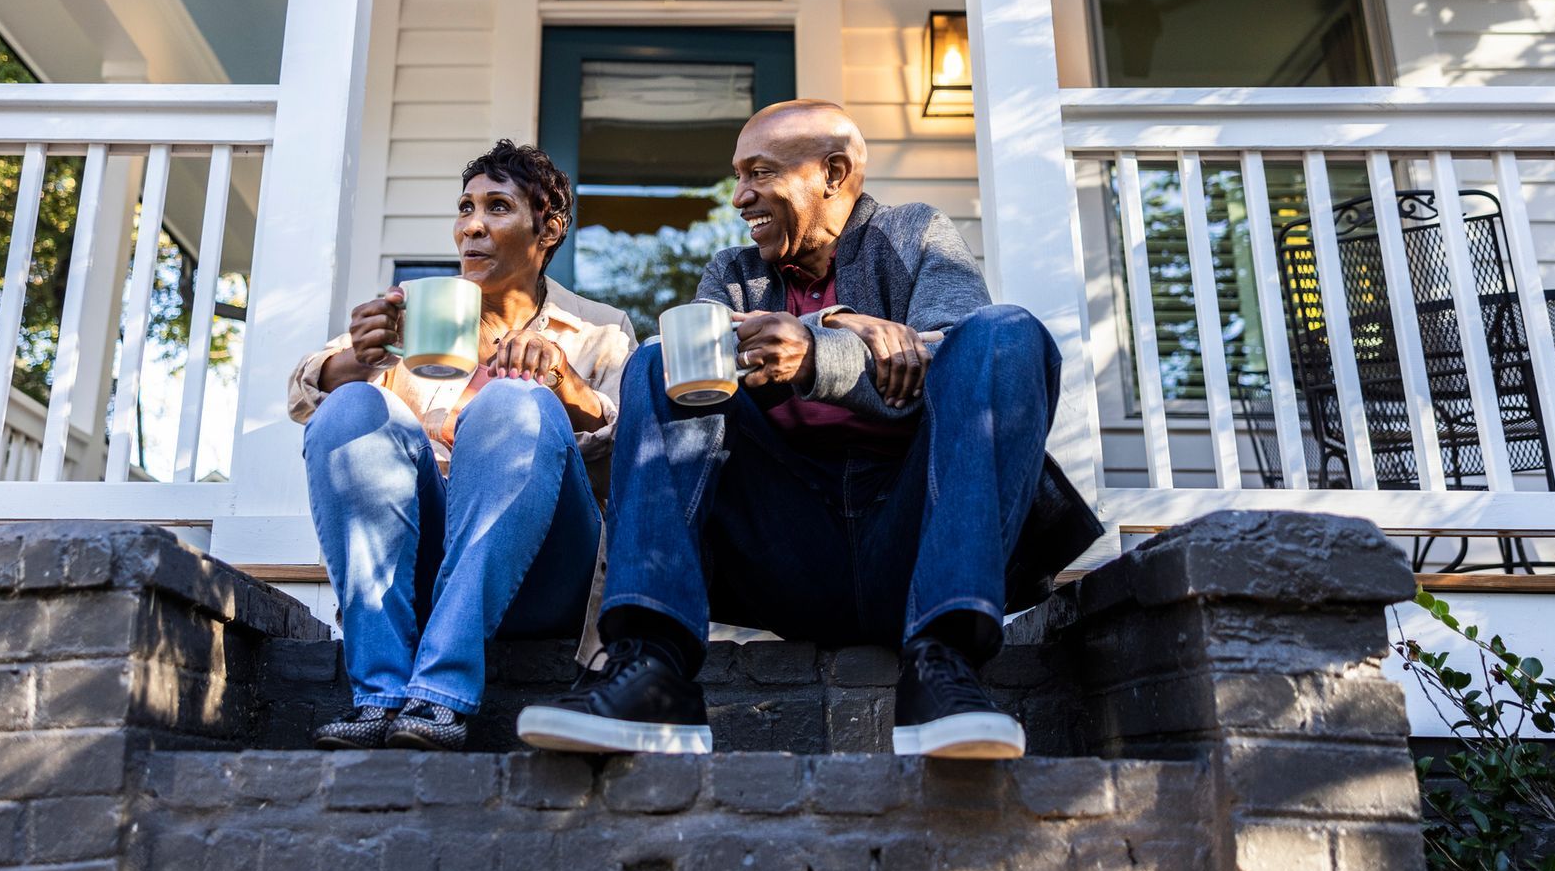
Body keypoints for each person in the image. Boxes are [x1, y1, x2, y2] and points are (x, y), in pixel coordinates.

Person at [516, 101, 1101, 758]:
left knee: (1007, 331)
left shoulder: (915, 236)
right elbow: (699, 384)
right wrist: (847, 325)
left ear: (834, 173)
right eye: (738, 176)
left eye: (759, 172)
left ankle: (944, 667)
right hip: (786, 548)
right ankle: (651, 669)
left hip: (913, 548)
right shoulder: (735, 275)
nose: (739, 196)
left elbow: (962, 360)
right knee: (660, 360)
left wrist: (817, 357)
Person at [290, 140, 635, 751]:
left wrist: (564, 383)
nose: (471, 226)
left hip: (544, 575)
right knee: (351, 407)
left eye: (497, 207)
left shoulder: (600, 331)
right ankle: (380, 694)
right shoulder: (412, 319)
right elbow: (307, 399)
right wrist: (355, 358)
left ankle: (440, 693)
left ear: (547, 229)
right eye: (465, 207)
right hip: (419, 569)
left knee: (514, 401)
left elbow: (631, 459)